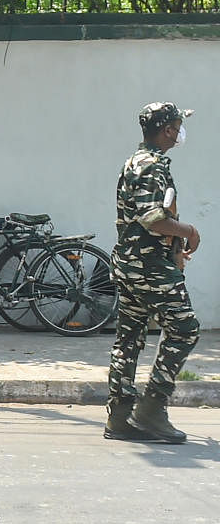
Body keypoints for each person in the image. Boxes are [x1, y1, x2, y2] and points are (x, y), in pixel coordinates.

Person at [105, 102, 201, 443]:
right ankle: (152, 409)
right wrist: (188, 231)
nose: (180, 131)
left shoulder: (136, 161)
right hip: (149, 269)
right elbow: (152, 218)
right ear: (167, 130)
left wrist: (173, 246)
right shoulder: (151, 166)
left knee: (129, 338)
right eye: (177, 125)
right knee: (185, 329)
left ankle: (119, 417)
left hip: (132, 264)